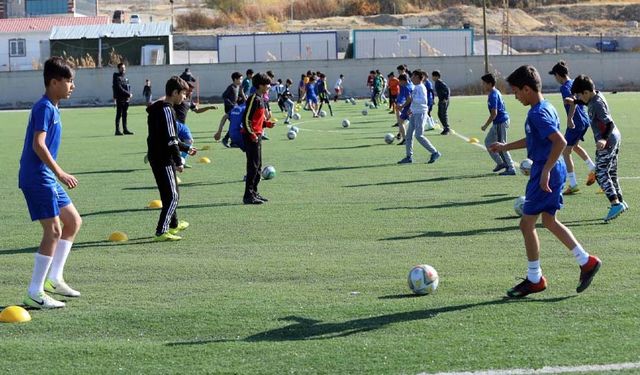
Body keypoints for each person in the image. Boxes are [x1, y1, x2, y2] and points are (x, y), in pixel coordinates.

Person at [489, 65, 601, 298]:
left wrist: (546, 171)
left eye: (516, 91)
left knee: (526, 224)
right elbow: (536, 139)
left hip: (546, 169)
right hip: (550, 167)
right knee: (549, 221)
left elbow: (559, 142)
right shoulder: (546, 106)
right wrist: (505, 146)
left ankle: (535, 278)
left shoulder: (537, 113)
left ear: (527, 89)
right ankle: (586, 262)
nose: (516, 96)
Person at [19, 57, 82, 309]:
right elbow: (38, 144)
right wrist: (60, 173)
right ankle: (34, 291)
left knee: (73, 222)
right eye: (68, 81)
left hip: (45, 176)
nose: (72, 86)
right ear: (54, 82)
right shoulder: (44, 107)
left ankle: (54, 279)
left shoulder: (54, 107)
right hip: (37, 177)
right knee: (53, 230)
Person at [570, 74, 628, 222]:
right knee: (611, 173)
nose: (579, 97)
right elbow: (588, 103)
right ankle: (620, 201)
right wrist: (576, 101)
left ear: (586, 93)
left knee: (601, 173)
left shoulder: (596, 104)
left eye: (579, 95)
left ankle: (615, 204)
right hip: (614, 138)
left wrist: (603, 139)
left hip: (608, 141)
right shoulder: (594, 97)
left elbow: (609, 124)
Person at [146, 76, 196, 241]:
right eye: (183, 94)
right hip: (163, 157)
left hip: (157, 155)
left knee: (170, 192)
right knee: (172, 196)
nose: (185, 97)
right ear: (174, 92)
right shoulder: (167, 110)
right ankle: (162, 230)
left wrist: (187, 148)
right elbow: (171, 139)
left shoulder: (159, 108)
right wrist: (179, 160)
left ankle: (174, 224)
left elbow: (167, 136)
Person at [548, 61, 597, 194]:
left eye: (555, 76)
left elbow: (572, 103)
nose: (555, 78)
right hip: (584, 120)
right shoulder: (574, 82)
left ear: (559, 75)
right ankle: (593, 168)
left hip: (576, 122)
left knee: (565, 151)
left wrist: (569, 118)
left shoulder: (564, 87)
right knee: (573, 147)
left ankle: (573, 184)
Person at [242, 72, 275, 205]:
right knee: (253, 166)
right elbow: (246, 119)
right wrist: (252, 134)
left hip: (257, 135)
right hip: (251, 136)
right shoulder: (253, 98)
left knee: (258, 166)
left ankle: (254, 192)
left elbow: (257, 119)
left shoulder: (261, 98)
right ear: (260, 85)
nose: (269, 86)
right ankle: (248, 196)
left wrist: (266, 124)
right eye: (267, 84)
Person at [397, 70, 441, 165]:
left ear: (417, 77)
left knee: (419, 135)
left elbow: (423, 101)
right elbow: (414, 102)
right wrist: (410, 109)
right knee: (409, 135)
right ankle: (409, 157)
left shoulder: (421, 87)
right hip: (414, 113)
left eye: (413, 76)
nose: (411, 78)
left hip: (420, 113)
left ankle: (435, 152)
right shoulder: (416, 87)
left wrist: (413, 99)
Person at [173, 81, 216, 166]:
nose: (191, 92)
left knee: (189, 141)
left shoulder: (189, 100)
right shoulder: (177, 98)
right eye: (189, 90)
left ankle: (182, 160)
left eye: (192, 91)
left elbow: (197, 110)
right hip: (174, 123)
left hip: (182, 125)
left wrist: (209, 107)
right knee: (173, 143)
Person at [480, 73, 516, 175]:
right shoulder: (493, 93)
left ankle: (511, 168)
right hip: (497, 123)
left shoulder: (494, 94)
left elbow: (494, 113)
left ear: (490, 84)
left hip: (500, 122)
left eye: (484, 83)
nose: (483, 85)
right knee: (488, 142)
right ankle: (501, 163)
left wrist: (486, 125)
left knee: (502, 145)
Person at [214, 72, 245, 148]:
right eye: (240, 79)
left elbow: (241, 97)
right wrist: (231, 104)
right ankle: (228, 140)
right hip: (229, 108)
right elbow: (224, 96)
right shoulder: (231, 87)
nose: (241, 80)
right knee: (236, 124)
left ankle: (230, 141)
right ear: (235, 79)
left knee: (236, 124)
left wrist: (242, 100)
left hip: (235, 108)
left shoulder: (239, 87)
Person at [112, 63, 133, 135]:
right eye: (122, 68)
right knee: (119, 114)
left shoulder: (125, 78)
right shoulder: (116, 77)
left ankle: (125, 129)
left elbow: (128, 87)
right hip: (120, 98)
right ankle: (117, 130)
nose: (123, 69)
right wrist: (128, 94)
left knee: (125, 114)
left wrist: (129, 95)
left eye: (124, 68)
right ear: (119, 69)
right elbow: (119, 88)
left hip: (126, 99)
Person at [394, 73, 414, 145]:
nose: (399, 83)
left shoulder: (406, 87)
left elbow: (409, 99)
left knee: (401, 122)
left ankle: (405, 139)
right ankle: (405, 137)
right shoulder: (411, 85)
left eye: (400, 81)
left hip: (408, 107)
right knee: (405, 122)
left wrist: (402, 106)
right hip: (412, 107)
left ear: (403, 81)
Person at [432, 70, 451, 135]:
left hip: (444, 101)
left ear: (437, 76)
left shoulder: (440, 82)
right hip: (441, 100)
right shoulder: (437, 82)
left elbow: (447, 89)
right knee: (439, 114)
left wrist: (446, 98)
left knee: (443, 114)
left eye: (433, 76)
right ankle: (445, 128)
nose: (432, 78)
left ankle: (447, 128)